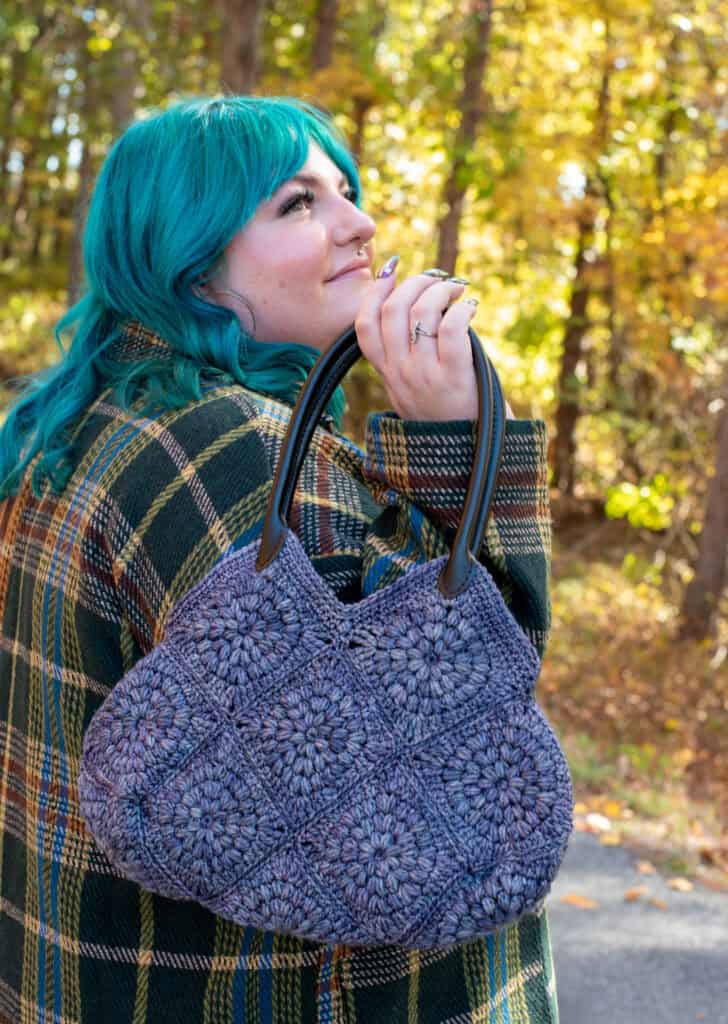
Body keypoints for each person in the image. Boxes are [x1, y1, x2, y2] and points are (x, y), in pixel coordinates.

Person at [0, 96, 559, 1023]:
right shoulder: (240, 455)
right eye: (297, 204)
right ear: (193, 260)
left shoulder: (88, 426)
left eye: (345, 190)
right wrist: (458, 444)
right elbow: (465, 723)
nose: (359, 224)